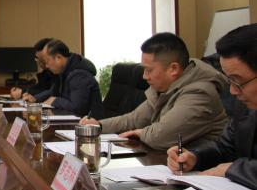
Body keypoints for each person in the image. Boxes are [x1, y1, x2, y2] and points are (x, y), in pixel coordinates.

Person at [81, 33, 228, 151]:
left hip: (201, 171)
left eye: (149, 70)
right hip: (170, 163)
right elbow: (134, 119)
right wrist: (98, 126)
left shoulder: (200, 93)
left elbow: (161, 136)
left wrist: (141, 133)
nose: (144, 76)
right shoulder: (164, 87)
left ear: (173, 69)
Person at [168, 24, 257, 190]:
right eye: (230, 81)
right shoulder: (246, 107)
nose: (232, 91)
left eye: (238, 81)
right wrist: (195, 157)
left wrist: (233, 169)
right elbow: (224, 148)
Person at [25, 39, 103, 118]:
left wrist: (56, 101)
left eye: (47, 61)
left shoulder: (79, 75)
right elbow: (53, 92)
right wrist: (35, 98)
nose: (47, 66)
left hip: (89, 123)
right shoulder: (64, 71)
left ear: (58, 58)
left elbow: (78, 108)